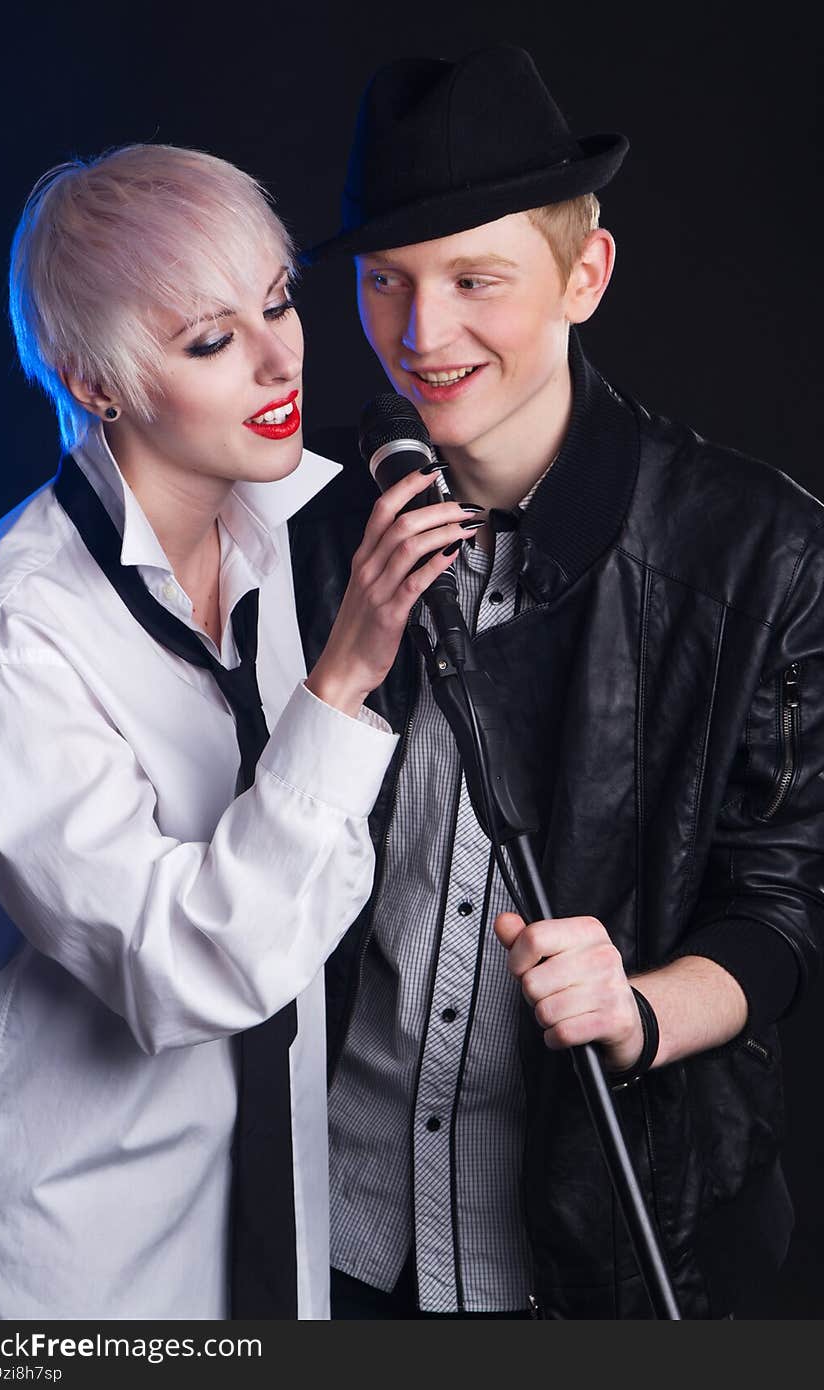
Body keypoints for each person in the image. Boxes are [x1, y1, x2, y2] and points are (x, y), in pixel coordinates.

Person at [290, 44, 824, 1319]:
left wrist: (637, 1008)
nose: (422, 336)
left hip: (604, 1262)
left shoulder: (761, 552)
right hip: (332, 1238)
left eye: (477, 279)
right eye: (385, 283)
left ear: (584, 274)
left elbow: (785, 903)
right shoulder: (309, 530)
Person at [0, 143, 478, 1320]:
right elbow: (178, 968)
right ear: (96, 381)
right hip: (77, 1246)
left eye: (280, 301)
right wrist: (337, 689)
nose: (281, 358)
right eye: (209, 339)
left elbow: (329, 882)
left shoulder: (288, 528)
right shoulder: (16, 623)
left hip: (271, 1221)